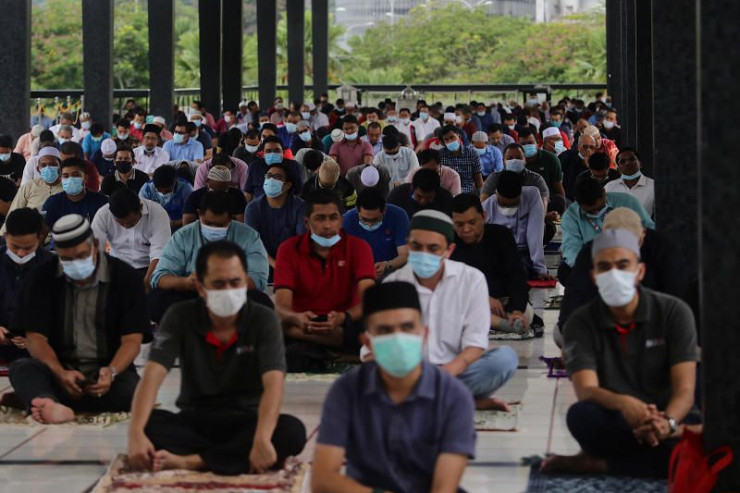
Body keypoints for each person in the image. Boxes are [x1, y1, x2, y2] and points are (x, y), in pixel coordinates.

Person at [127, 241, 306, 474]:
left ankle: (193, 461)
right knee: (149, 424)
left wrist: (262, 438)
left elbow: (274, 384)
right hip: (197, 418)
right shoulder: (180, 316)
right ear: (201, 287)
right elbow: (151, 376)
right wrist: (134, 434)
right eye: (219, 284)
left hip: (247, 419)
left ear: (246, 282)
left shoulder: (263, 319)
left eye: (235, 282)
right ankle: (232, 457)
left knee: (292, 431)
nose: (229, 291)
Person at [542, 229, 698, 478]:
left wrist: (666, 423)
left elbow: (685, 390)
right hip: (618, 418)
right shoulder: (580, 323)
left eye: (623, 264)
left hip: (671, 416)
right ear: (594, 276)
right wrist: (625, 404)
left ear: (640, 271)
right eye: (605, 266)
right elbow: (587, 390)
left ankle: (603, 465)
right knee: (581, 416)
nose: (614, 274)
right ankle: (660, 460)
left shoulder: (674, 312)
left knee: (712, 433)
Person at [312, 282, 475, 493]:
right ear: (367, 342)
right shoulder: (347, 390)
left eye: (407, 327)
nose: (398, 338)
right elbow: (323, 480)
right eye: (385, 331)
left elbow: (443, 488)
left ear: (424, 334)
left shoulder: (454, 396)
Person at [9, 214, 149, 424]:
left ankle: (41, 398)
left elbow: (132, 340)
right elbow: (35, 338)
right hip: (57, 370)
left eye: (81, 256)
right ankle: (49, 399)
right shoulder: (41, 277)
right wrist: (60, 373)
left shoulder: (125, 277)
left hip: (107, 371)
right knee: (22, 368)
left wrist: (110, 373)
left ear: (95, 245)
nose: (75, 263)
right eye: (66, 259)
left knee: (132, 392)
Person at [384, 210, 518, 410]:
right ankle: (462, 400)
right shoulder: (391, 285)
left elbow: (474, 345)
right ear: (408, 245)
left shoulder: (471, 280)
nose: (424, 254)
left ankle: (427, 398)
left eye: (433, 248)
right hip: (408, 374)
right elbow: (378, 351)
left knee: (504, 360)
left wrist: (444, 374)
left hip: (456, 370)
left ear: (449, 250)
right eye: (416, 246)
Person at [557, 208, 688, 344]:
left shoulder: (665, 252)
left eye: (623, 264)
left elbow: (675, 303)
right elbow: (573, 302)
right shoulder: (591, 252)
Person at [274, 190, 376, 353]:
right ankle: (337, 348)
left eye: (333, 218)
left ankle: (319, 345)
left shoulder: (359, 248)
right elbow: (282, 304)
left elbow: (368, 298)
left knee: (373, 327)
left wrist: (344, 317)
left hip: (345, 321)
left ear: (341, 220)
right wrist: (297, 318)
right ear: (307, 223)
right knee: (272, 322)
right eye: (320, 218)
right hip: (301, 321)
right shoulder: (288, 249)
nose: (328, 225)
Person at [149, 191, 268, 322]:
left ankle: (200, 323)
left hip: (232, 294)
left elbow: (257, 279)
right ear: (199, 214)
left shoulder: (249, 236)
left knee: (261, 302)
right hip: (193, 293)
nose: (214, 228)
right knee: (156, 299)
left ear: (230, 219)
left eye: (220, 225)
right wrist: (186, 283)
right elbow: (159, 278)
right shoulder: (183, 236)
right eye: (208, 223)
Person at [451, 194, 534, 334]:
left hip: (504, 303)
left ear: (483, 217)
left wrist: (517, 310)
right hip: (468, 302)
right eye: (459, 225)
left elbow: (517, 276)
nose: (466, 229)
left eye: (472, 222)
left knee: (526, 314)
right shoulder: (449, 243)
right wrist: (482, 298)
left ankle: (504, 321)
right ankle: (503, 324)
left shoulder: (501, 235)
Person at [561, 176, 654, 269]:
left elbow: (650, 230)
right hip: (594, 263)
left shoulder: (627, 202)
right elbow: (571, 249)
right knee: (565, 271)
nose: (596, 213)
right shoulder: (571, 216)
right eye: (590, 212)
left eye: (599, 208)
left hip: (630, 257)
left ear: (604, 193)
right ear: (578, 203)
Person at [0, 209, 53, 362]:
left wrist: (37, 337)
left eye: (28, 247)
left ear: (40, 238)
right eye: (15, 247)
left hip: (40, 352)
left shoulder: (52, 267)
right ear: (6, 236)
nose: (21, 253)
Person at [92, 188, 171, 287]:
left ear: (140, 207)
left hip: (149, 267)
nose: (126, 226)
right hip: (117, 267)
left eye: (131, 222)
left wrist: (146, 283)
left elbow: (159, 254)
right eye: (120, 223)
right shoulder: (103, 214)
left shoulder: (157, 213)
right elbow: (96, 250)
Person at [482, 171, 549, 279]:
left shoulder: (532, 196)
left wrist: (539, 269)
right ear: (496, 193)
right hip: (499, 253)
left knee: (520, 268)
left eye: (514, 204)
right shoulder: (487, 207)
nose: (508, 208)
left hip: (523, 253)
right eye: (503, 204)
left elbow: (535, 234)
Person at [244, 162, 306, 269]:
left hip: (293, 262)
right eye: (268, 176)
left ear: (287, 185)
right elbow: (253, 245)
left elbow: (302, 242)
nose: (270, 180)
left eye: (276, 177)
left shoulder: (300, 207)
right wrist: (276, 265)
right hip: (261, 262)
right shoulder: (252, 208)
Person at [342, 188, 410, 280]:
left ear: (384, 210)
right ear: (357, 210)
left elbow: (404, 254)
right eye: (364, 219)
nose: (369, 224)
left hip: (392, 272)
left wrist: (387, 265)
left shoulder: (398, 216)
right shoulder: (347, 220)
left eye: (375, 220)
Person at [1, 147, 63, 234]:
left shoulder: (67, 188)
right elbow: (13, 213)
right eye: (44, 165)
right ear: (38, 169)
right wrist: (3, 236)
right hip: (30, 236)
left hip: (59, 238)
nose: (48, 168)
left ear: (60, 168)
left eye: (53, 164)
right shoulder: (29, 186)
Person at [42, 158, 109, 231]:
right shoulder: (53, 203)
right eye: (66, 176)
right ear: (61, 179)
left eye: (75, 175)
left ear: (85, 178)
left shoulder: (101, 202)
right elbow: (42, 233)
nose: (70, 179)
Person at [518, 126, 565, 217]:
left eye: (530, 143)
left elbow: (558, 188)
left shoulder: (550, 159)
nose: (527, 146)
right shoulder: (516, 161)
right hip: (523, 203)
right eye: (523, 144)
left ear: (537, 143)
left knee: (559, 201)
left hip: (547, 200)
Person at [244, 136, 303, 202]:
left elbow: (299, 192)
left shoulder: (294, 166)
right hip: (260, 208)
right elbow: (248, 193)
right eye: (268, 151)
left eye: (276, 150)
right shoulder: (254, 167)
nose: (272, 154)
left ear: (283, 152)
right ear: (263, 153)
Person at [139, 165, 193, 231]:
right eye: (160, 190)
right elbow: (140, 212)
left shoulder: (186, 188)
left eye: (167, 191)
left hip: (179, 228)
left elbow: (192, 216)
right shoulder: (147, 189)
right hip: (153, 227)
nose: (164, 193)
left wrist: (173, 223)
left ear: (174, 182)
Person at [604, 147, 655, 216]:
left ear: (640, 164)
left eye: (631, 159)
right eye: (622, 161)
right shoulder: (609, 188)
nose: (627, 163)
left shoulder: (653, 186)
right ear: (618, 169)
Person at [388, 168, 454, 218]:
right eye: (419, 196)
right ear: (412, 187)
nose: (423, 201)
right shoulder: (397, 195)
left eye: (429, 198)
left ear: (437, 191)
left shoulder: (446, 199)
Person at [438, 125, 483, 194]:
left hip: (468, 192)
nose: (450, 141)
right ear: (443, 142)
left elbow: (478, 179)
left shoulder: (472, 153)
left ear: (459, 137)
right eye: (446, 139)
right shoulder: (440, 155)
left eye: (452, 137)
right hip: (448, 192)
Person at [559, 134, 595, 201]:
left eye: (591, 147)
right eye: (585, 147)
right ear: (578, 147)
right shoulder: (567, 157)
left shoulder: (597, 161)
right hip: (569, 198)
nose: (588, 150)